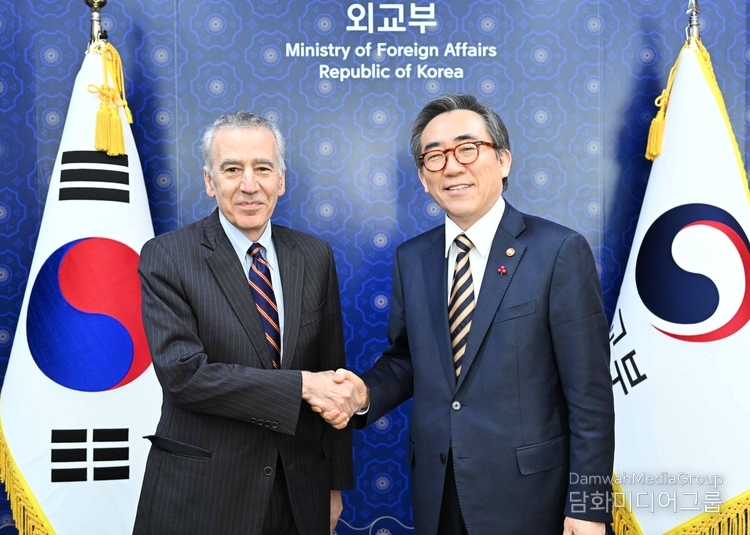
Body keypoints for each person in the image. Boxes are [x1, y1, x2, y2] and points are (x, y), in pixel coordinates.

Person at [327, 94, 615, 534]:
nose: (452, 167)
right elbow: (408, 359)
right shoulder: (413, 258)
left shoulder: (558, 251)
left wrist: (589, 506)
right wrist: (363, 392)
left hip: (532, 499)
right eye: (435, 156)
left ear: (503, 160)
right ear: (423, 178)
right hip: (438, 492)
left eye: (467, 149)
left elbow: (590, 396)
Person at [133, 111, 361, 535]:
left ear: (282, 180)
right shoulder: (167, 256)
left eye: (263, 168)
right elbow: (184, 376)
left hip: (299, 494)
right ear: (209, 181)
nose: (249, 184)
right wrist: (301, 385)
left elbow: (332, 374)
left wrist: (333, 485)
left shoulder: (314, 255)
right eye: (232, 169)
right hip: (203, 495)